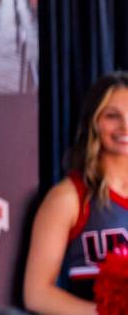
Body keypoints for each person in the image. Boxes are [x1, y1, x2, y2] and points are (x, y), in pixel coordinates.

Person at [24, 72, 128, 313]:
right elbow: (37, 293)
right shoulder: (70, 197)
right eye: (112, 116)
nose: (125, 125)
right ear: (94, 122)